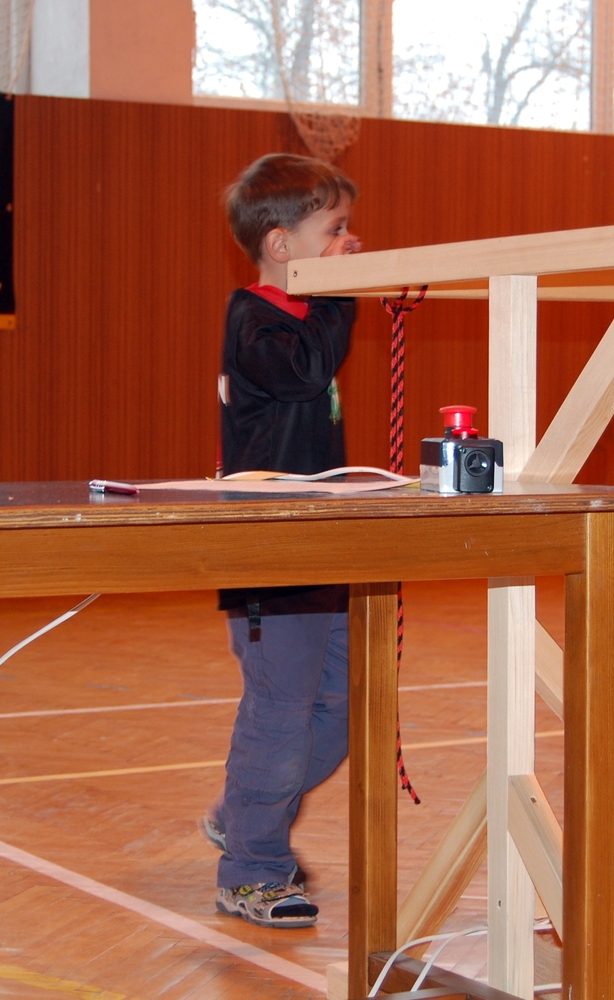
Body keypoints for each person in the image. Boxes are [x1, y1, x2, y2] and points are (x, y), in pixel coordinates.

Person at [202, 153, 361, 929]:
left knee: (343, 708)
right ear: (280, 245)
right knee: (280, 712)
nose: (349, 242)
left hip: (323, 545)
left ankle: (241, 814)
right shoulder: (255, 319)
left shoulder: (305, 318)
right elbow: (305, 373)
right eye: (334, 230)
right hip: (272, 553)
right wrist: (342, 294)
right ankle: (252, 869)